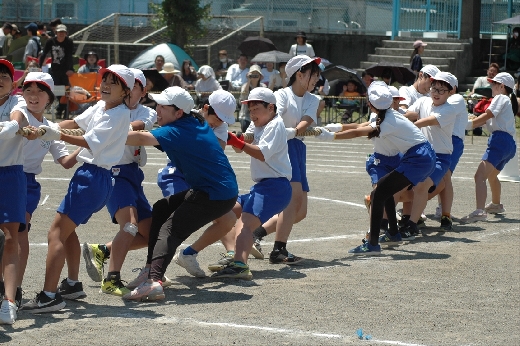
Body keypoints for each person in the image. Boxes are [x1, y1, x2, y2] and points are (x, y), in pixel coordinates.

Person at [22, 64, 134, 313]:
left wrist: (51, 133)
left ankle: (49, 296)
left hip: (92, 177)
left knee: (55, 234)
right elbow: (75, 122)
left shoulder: (117, 114)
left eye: (113, 82)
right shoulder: (104, 107)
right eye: (104, 79)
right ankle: (72, 285)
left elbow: (87, 141)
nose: (105, 84)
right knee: (68, 231)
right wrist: (40, 126)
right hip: (95, 178)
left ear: (126, 92)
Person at [122, 87, 238, 302]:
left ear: (178, 113)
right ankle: (150, 270)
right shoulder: (193, 122)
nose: (157, 110)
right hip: (215, 190)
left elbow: (135, 139)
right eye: (157, 104)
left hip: (215, 194)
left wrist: (102, 129)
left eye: (163, 106)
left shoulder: (177, 130)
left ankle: (154, 281)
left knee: (170, 229)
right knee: (161, 208)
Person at [314, 82, 435, 255]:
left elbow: (358, 132)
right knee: (384, 191)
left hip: (418, 158)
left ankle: (372, 244)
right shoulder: (388, 115)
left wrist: (332, 136)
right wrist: (337, 128)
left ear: (370, 104)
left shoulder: (386, 120)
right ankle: (393, 233)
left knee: (378, 193)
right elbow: (360, 128)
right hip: (420, 156)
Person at [81, 68, 159, 297]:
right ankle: (112, 278)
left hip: (133, 174)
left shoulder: (145, 112)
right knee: (130, 225)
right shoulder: (106, 108)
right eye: (126, 84)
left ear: (142, 91)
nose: (129, 90)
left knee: (151, 233)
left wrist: (111, 128)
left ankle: (103, 250)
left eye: (134, 86)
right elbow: (80, 123)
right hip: (115, 172)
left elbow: (137, 128)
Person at [14, 72, 79, 311]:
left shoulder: (50, 128)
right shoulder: (18, 111)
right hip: (7, 174)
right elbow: (19, 120)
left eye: (40, 91)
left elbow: (65, 161)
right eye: (28, 90)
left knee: (20, 233)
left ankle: (14, 290)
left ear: (49, 98)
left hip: (27, 183)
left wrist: (92, 147)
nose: (33, 96)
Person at [212, 88, 292, 279]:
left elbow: (261, 153)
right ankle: (234, 254)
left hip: (276, 186)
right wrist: (223, 132)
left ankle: (240, 265)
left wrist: (235, 141)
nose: (251, 113)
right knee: (220, 210)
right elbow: (242, 146)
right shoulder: (256, 124)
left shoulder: (275, 124)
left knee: (246, 223)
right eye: (250, 109)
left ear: (270, 107)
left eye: (256, 108)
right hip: (262, 187)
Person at [251, 55, 321, 264]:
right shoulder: (281, 95)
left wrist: (297, 130)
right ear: (299, 75)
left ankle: (256, 233)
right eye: (313, 75)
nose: (317, 79)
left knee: (300, 211)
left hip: (297, 146)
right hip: (283, 146)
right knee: (292, 201)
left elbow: (306, 121)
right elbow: (275, 120)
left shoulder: (313, 99)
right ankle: (279, 250)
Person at [397, 72, 458, 238]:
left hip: (441, 157)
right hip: (421, 154)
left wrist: (408, 126)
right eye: (434, 88)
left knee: (421, 186)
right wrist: (395, 114)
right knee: (407, 185)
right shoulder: (423, 100)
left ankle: (412, 224)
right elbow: (410, 113)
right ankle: (406, 218)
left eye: (441, 90)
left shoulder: (449, 110)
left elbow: (428, 120)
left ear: (451, 91)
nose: (436, 93)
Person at [461, 72, 518, 223]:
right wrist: (474, 121)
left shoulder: (500, 98)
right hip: (509, 144)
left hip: (499, 141)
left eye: (494, 83)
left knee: (479, 176)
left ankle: (480, 211)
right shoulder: (507, 101)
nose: (491, 86)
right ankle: (496, 204)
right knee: (492, 176)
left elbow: (487, 116)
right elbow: (489, 120)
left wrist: (469, 124)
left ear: (502, 86)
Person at [0, 59, 28, 324]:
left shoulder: (16, 103)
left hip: (9, 175)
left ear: (13, 82)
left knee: (10, 237)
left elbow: (16, 121)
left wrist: (10, 127)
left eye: (4, 75)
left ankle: (8, 301)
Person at [39, 24, 74, 119]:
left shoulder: (69, 42)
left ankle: (62, 110)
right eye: (59, 32)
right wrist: (40, 66)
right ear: (56, 33)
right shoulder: (50, 41)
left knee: (66, 92)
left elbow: (70, 56)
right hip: (55, 69)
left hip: (66, 70)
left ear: (66, 33)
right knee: (58, 91)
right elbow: (44, 53)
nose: (61, 34)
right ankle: (60, 109)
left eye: (63, 32)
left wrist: (71, 69)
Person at [239, 65, 266, 132]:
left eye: (257, 74)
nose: (254, 76)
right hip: (246, 115)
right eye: (253, 74)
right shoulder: (245, 86)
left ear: (260, 76)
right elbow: (243, 97)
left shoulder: (263, 86)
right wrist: (248, 81)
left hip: (259, 115)